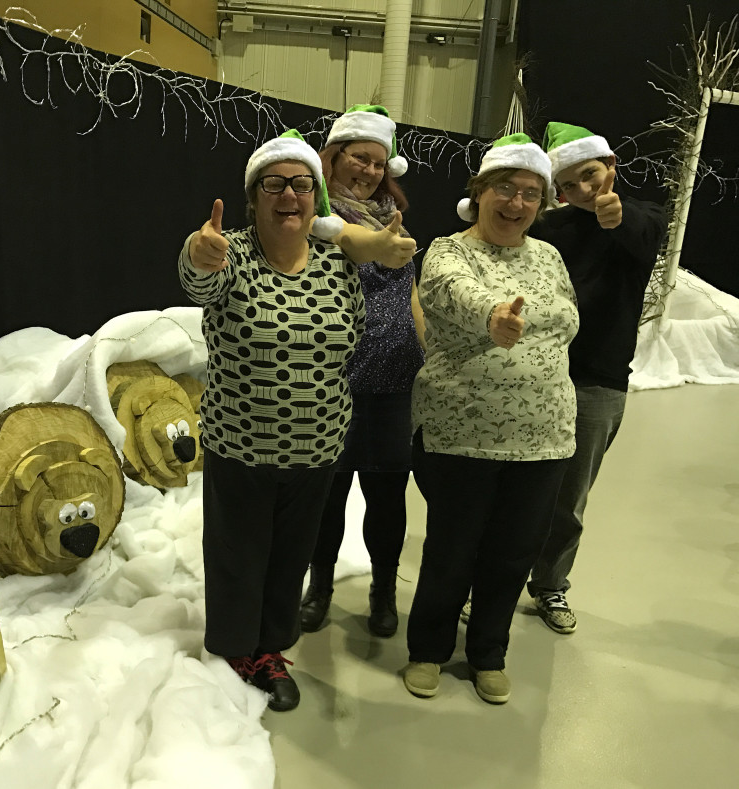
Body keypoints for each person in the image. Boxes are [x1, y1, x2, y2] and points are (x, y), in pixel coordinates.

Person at [179, 130, 412, 712]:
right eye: (275, 185)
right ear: (255, 197)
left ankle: (271, 648)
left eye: (302, 185)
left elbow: (351, 336)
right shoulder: (231, 253)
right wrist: (195, 252)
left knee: (289, 557)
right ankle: (238, 650)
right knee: (239, 553)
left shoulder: (337, 263)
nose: (290, 195)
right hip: (242, 446)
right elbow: (198, 277)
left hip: (317, 450)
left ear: (316, 198)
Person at [401, 133, 579, 704]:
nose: (517, 203)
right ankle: (428, 649)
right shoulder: (450, 251)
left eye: (531, 193)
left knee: (513, 551)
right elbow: (453, 295)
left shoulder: (549, 257)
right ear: (480, 192)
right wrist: (495, 317)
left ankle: (488, 654)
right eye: (506, 188)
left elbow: (569, 319)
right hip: (461, 434)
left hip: (543, 439)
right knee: (452, 549)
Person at [523, 121, 668, 633]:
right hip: (534, 375)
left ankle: (551, 585)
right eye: (569, 186)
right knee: (518, 491)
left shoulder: (643, 219)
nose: (585, 192)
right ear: (556, 192)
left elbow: (638, 231)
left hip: (600, 381)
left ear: (610, 167)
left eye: (590, 176)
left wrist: (616, 215)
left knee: (570, 497)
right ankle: (495, 579)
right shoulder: (548, 230)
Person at [298, 105, 424, 638]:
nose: (369, 171)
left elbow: (412, 300)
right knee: (326, 496)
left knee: (387, 497)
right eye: (359, 158)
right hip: (332, 382)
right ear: (334, 158)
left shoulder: (394, 226)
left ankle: (382, 590)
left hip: (393, 382)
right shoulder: (310, 223)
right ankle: (320, 586)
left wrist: (430, 349)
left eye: (378, 163)